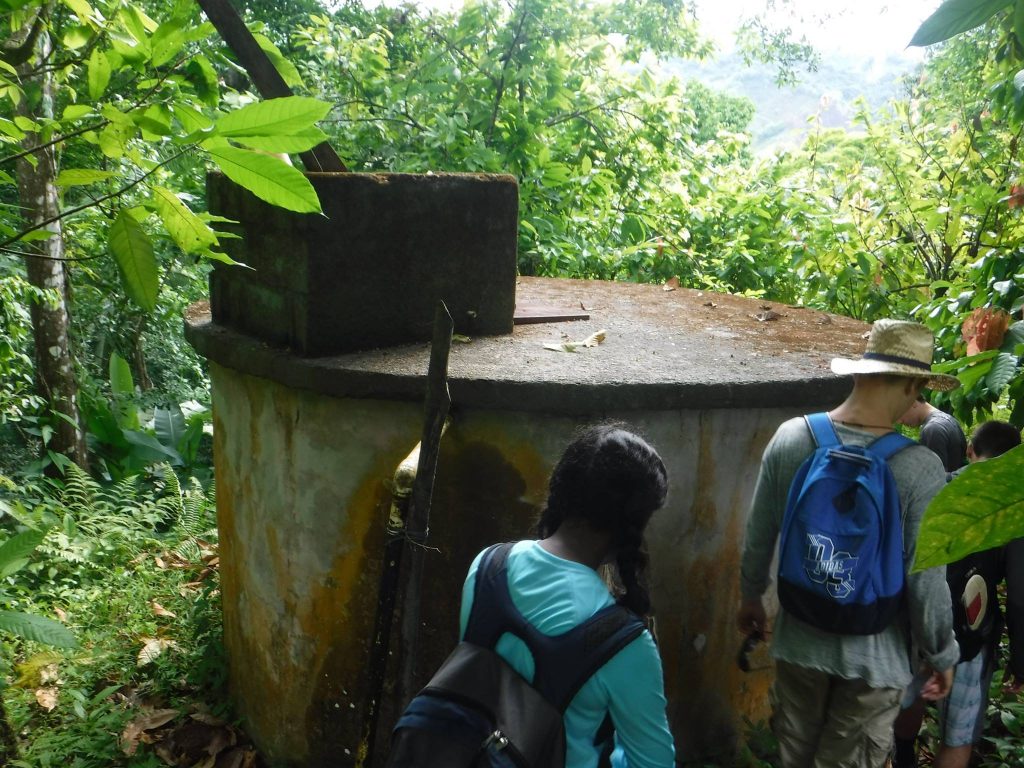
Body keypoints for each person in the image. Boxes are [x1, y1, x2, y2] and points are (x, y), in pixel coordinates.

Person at [737, 319, 961, 768]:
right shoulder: (920, 468)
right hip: (874, 662)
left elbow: (758, 535)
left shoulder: (792, 437)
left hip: (800, 637)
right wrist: (941, 653)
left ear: (859, 372)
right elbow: (925, 578)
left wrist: (751, 599)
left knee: (794, 755)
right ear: (914, 385)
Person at [459, 425, 676, 768]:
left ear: (561, 486)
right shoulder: (625, 642)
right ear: (634, 525)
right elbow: (653, 762)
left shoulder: (486, 568)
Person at [892, 420, 1024, 768]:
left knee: (911, 697)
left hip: (916, 622)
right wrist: (1020, 662)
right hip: (969, 634)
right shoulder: (1011, 515)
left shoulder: (936, 488)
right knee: (958, 738)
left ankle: (903, 756)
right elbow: (1019, 596)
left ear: (970, 451)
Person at [898, 396, 967, 473]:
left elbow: (936, 477)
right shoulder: (949, 420)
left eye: (899, 414)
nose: (900, 421)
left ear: (913, 403)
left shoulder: (932, 429)